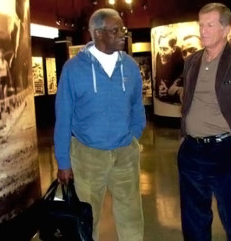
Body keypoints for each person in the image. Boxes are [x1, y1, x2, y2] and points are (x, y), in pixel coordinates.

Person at [54, 8, 146, 241]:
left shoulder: (130, 67)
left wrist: (132, 139)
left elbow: (137, 107)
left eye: (123, 29)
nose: (123, 34)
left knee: (131, 214)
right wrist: (63, 161)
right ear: (97, 33)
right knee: (88, 216)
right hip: (87, 157)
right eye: (116, 30)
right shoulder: (73, 69)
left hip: (125, 154)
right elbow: (63, 117)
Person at [177, 3, 231, 241]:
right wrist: (185, 139)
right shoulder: (192, 61)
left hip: (225, 152)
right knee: (194, 222)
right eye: (200, 24)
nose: (202, 30)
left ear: (226, 29)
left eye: (209, 25)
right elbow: (189, 101)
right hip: (191, 153)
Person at [155, 33, 184, 104]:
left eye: (165, 49)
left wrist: (168, 90)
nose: (162, 53)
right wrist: (160, 87)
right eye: (160, 48)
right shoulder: (159, 55)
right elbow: (158, 75)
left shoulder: (182, 56)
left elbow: (182, 78)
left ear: (173, 49)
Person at [0, 48, 12, 113]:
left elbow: (8, 71)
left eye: (2, 54)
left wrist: (10, 79)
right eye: (0, 54)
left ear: (3, 55)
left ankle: (6, 107)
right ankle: (2, 106)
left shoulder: (6, 62)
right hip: (0, 79)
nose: (1, 55)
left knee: (5, 93)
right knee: (1, 94)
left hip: (5, 78)